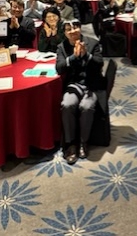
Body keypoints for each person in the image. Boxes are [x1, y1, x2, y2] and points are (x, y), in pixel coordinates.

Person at [56, 20, 105, 165]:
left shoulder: (92, 43)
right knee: (67, 104)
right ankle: (71, 143)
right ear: (65, 33)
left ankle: (83, 142)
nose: (73, 31)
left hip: (91, 84)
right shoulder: (62, 47)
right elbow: (59, 68)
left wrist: (86, 55)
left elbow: (99, 64)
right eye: (68, 29)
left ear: (80, 28)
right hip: (73, 84)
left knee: (86, 106)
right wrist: (73, 57)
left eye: (75, 27)